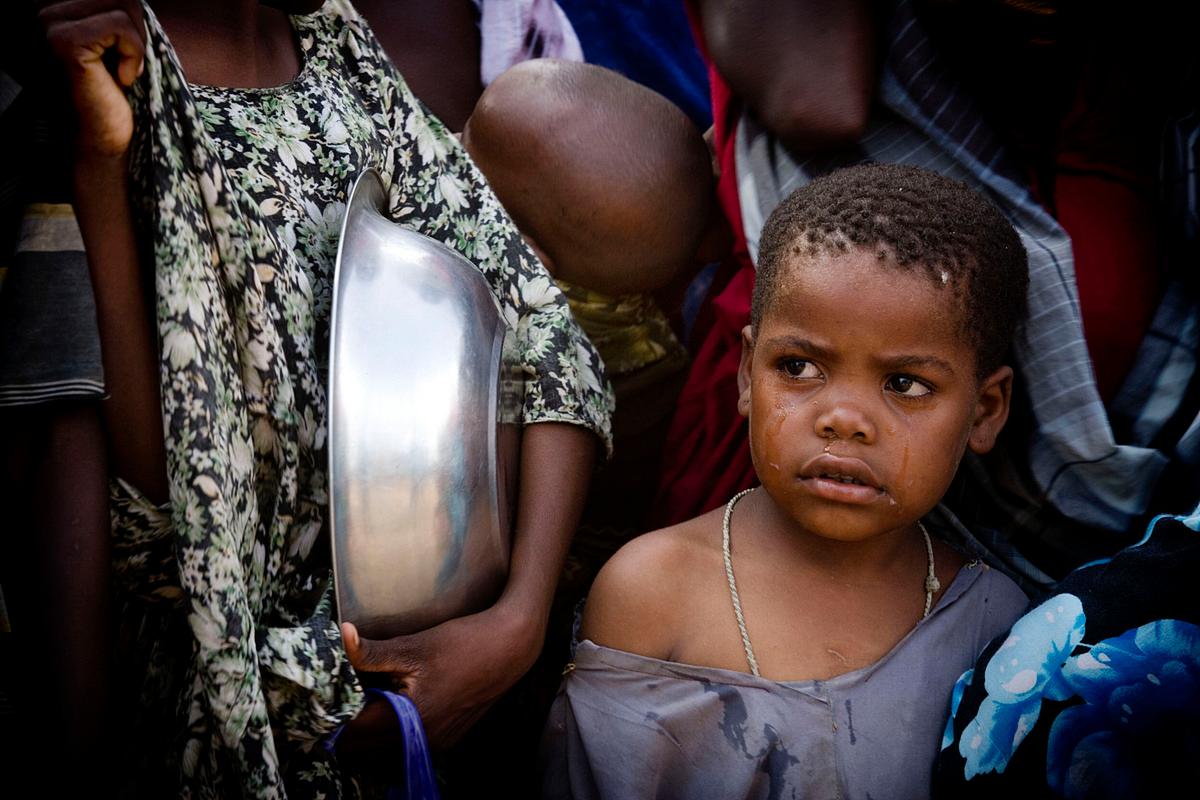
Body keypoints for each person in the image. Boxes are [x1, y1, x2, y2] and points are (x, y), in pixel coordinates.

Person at [29, 0, 612, 795]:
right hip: (219, 713)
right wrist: (101, 169)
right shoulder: (108, 76)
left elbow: (542, 334)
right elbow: (160, 512)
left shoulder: (341, 52)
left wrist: (515, 623)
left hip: (419, 686)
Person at [540, 163, 1032, 799]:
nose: (844, 420)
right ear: (747, 374)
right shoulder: (653, 590)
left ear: (984, 411)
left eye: (906, 384)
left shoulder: (996, 623)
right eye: (798, 367)